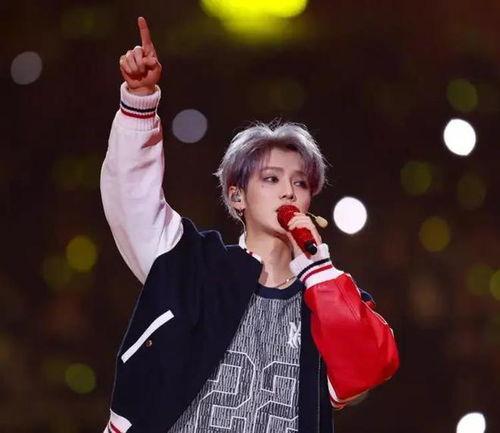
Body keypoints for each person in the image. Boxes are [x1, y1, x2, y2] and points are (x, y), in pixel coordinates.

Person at [100, 16, 399, 433]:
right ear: (237, 195)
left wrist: (316, 269)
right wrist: (139, 99)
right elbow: (131, 199)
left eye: (300, 182)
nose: (289, 192)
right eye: (271, 179)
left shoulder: (328, 298)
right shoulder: (193, 265)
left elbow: (367, 368)